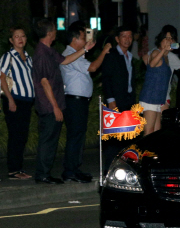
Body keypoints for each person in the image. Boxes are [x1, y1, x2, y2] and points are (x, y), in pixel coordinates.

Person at [32, 18, 95, 184]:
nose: (56, 32)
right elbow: (44, 82)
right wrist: (55, 107)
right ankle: (43, 174)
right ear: (49, 32)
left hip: (56, 102)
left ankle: (46, 173)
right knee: (48, 140)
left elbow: (65, 60)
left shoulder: (49, 50)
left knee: (52, 139)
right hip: (49, 105)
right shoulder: (41, 53)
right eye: (54, 29)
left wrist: (85, 49)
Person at [60, 21, 111, 183]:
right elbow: (93, 67)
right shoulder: (70, 54)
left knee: (78, 135)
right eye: (83, 37)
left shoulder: (77, 55)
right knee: (75, 135)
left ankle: (74, 168)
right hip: (74, 101)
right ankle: (70, 170)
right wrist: (103, 51)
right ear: (75, 39)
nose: (85, 40)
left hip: (79, 101)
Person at [139, 25, 180, 135]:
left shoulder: (169, 57)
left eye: (171, 38)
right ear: (160, 40)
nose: (169, 40)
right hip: (150, 98)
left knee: (157, 132)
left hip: (159, 99)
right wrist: (163, 50)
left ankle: (154, 152)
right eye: (166, 38)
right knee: (148, 132)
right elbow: (152, 64)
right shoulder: (156, 52)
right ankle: (144, 152)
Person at [0, 26, 35, 180]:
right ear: (11, 40)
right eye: (16, 36)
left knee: (22, 135)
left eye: (22, 36)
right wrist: (10, 99)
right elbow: (1, 78)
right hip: (15, 100)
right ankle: (14, 170)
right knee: (16, 135)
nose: (20, 39)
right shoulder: (9, 56)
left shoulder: (28, 58)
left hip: (26, 102)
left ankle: (18, 168)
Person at [102, 25, 137, 173]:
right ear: (117, 39)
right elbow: (106, 78)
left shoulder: (129, 56)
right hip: (116, 101)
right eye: (124, 36)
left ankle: (123, 169)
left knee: (128, 138)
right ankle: (108, 171)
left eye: (130, 36)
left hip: (128, 101)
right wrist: (111, 100)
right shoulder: (111, 55)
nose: (127, 39)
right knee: (114, 139)